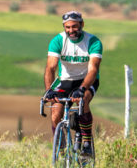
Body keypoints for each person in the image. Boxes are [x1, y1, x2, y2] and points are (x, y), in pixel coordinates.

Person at [43, 11, 102, 156]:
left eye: (74, 26)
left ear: (82, 24)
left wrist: (82, 89)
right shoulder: (58, 41)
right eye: (67, 27)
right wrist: (49, 90)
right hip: (66, 80)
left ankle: (87, 141)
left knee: (83, 100)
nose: (71, 30)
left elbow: (93, 69)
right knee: (56, 111)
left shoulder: (93, 42)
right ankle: (61, 147)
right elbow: (50, 67)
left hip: (86, 80)